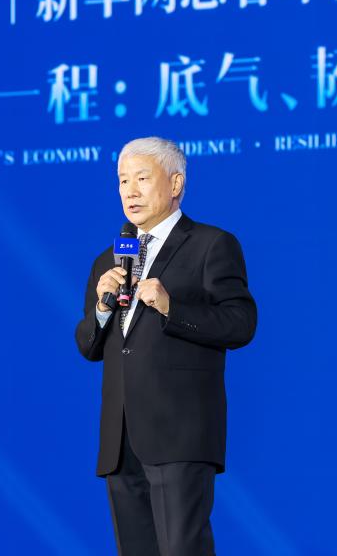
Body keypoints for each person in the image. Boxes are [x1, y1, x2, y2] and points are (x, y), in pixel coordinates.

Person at [75, 136, 257, 556]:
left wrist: (171, 307)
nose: (130, 191)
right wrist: (102, 309)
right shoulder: (108, 260)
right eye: (123, 181)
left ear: (175, 184)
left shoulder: (211, 244)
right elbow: (88, 345)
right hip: (121, 438)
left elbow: (241, 323)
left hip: (179, 433)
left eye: (142, 178)